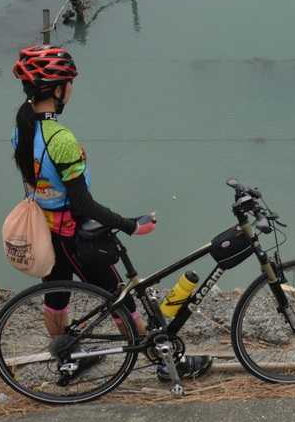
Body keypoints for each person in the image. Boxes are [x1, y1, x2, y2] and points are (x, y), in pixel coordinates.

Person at [11, 45, 212, 382]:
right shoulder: (60, 138)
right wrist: (131, 225)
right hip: (76, 238)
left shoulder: (24, 128)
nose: (71, 89)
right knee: (123, 301)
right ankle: (165, 364)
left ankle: (67, 357)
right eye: (69, 83)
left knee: (56, 298)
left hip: (48, 234)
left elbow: (40, 177)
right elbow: (84, 205)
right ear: (58, 89)